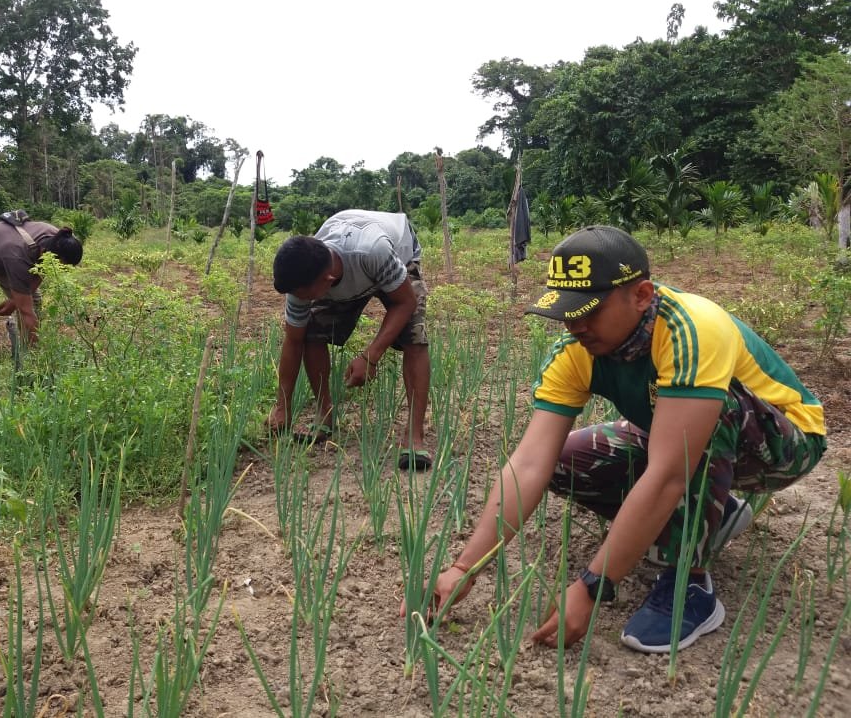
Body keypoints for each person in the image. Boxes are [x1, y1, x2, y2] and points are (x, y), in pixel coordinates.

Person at [419, 225, 826, 652]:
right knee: (564, 460)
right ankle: (712, 514)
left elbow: (670, 472)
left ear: (641, 295)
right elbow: (528, 464)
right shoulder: (575, 351)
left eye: (589, 310)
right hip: (674, 435)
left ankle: (688, 579)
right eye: (567, 311)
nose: (575, 325)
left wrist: (594, 585)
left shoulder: (692, 329)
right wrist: (466, 565)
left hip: (783, 442)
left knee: (702, 428)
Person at [266, 209, 433, 470]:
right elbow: (293, 340)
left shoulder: (372, 252)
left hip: (398, 251)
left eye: (305, 295)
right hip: (351, 252)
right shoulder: (303, 280)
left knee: (414, 337)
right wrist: (282, 406)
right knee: (311, 331)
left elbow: (405, 303)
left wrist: (370, 356)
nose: (301, 299)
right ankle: (325, 416)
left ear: (327, 281)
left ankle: (414, 436)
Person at [0, 213, 83, 351]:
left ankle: (26, 351)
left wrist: (15, 300)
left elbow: (43, 269)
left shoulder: (58, 239)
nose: (62, 271)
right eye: (61, 266)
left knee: (33, 300)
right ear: (44, 253)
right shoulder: (18, 253)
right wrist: (39, 365)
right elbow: (27, 312)